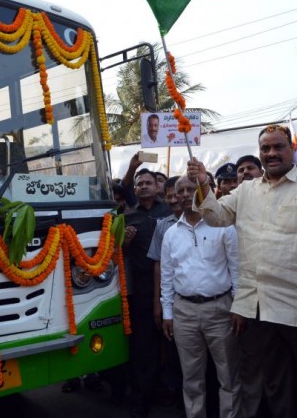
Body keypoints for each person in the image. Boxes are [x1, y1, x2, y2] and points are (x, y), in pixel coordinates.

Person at [187, 124, 297, 418]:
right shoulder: (246, 190)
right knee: (276, 385)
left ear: (291, 150)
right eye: (265, 148)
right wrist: (203, 184)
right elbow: (216, 217)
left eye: (278, 147)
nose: (271, 153)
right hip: (261, 309)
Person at [160, 176, 241, 418]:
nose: (185, 194)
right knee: (191, 378)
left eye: (190, 189)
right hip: (184, 311)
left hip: (220, 309)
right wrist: (167, 313)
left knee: (229, 376)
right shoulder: (171, 234)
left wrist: (238, 307)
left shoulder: (223, 226)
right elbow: (167, 276)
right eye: (180, 191)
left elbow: (237, 270)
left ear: (202, 191)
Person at [122, 169, 171, 418]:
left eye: (148, 182)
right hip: (142, 289)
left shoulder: (170, 211)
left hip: (173, 287)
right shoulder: (126, 217)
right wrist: (125, 241)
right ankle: (143, 398)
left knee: (172, 344)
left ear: (157, 186)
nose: (143, 186)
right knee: (144, 346)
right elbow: (118, 254)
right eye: (139, 183)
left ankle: (171, 391)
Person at [146, 175, 184, 410]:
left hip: (204, 302)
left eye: (176, 195)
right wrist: (158, 302)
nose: (173, 200)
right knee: (174, 354)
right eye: (168, 196)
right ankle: (180, 401)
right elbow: (159, 266)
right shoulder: (163, 226)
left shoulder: (211, 221)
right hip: (173, 301)